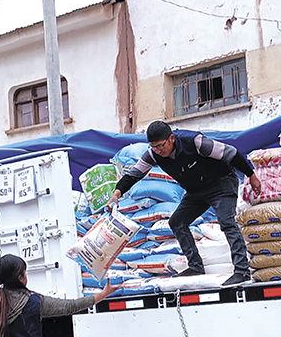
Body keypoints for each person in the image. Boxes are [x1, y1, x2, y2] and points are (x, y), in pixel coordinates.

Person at [107, 120, 261, 287]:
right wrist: (117, 193)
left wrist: (251, 176)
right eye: (154, 147)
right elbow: (134, 174)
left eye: (161, 146)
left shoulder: (195, 142)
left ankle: (242, 270)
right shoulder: (153, 154)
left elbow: (231, 153)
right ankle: (195, 266)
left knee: (226, 222)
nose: (158, 151)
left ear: (171, 138)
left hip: (221, 182)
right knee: (177, 222)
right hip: (196, 191)